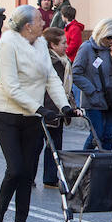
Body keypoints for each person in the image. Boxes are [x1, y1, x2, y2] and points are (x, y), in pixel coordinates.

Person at [0, 5, 78, 222]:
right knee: (15, 169)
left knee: (28, 173)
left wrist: (64, 106)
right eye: (39, 20)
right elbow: (11, 87)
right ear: (28, 26)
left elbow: (51, 79)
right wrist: (39, 108)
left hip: (32, 117)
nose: (43, 23)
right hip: (6, 113)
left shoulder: (40, 44)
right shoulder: (8, 45)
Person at [72, 18, 112, 151]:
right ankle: (85, 161)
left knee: (109, 135)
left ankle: (105, 162)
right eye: (109, 37)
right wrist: (92, 90)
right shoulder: (86, 48)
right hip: (94, 99)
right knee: (97, 135)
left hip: (111, 98)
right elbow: (75, 73)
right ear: (101, 33)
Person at [39, 27, 74, 188]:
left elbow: (66, 88)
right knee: (44, 146)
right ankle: (39, 177)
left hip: (57, 109)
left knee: (52, 145)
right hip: (48, 109)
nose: (67, 46)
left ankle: (48, 177)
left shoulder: (63, 61)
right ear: (53, 45)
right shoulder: (52, 62)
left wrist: (70, 106)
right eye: (63, 43)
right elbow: (52, 88)